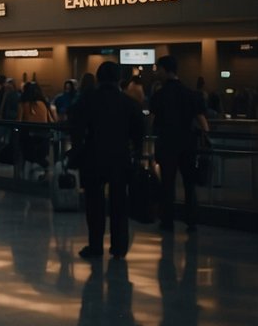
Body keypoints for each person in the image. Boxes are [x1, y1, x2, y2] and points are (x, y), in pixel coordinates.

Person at [69, 61, 146, 260]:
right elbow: (139, 134)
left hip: (92, 158)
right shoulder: (129, 103)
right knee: (119, 203)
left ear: (98, 77)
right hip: (120, 159)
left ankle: (95, 246)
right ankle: (119, 247)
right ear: (119, 79)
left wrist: (77, 151)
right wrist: (136, 153)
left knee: (94, 204)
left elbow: (75, 127)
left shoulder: (87, 100)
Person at [150, 55, 209, 233]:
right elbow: (202, 121)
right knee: (189, 183)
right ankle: (191, 220)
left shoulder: (159, 96)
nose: (156, 72)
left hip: (167, 144)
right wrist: (205, 138)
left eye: (158, 68)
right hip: (188, 144)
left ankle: (167, 220)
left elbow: (152, 123)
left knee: (167, 183)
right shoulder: (191, 94)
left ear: (165, 69)